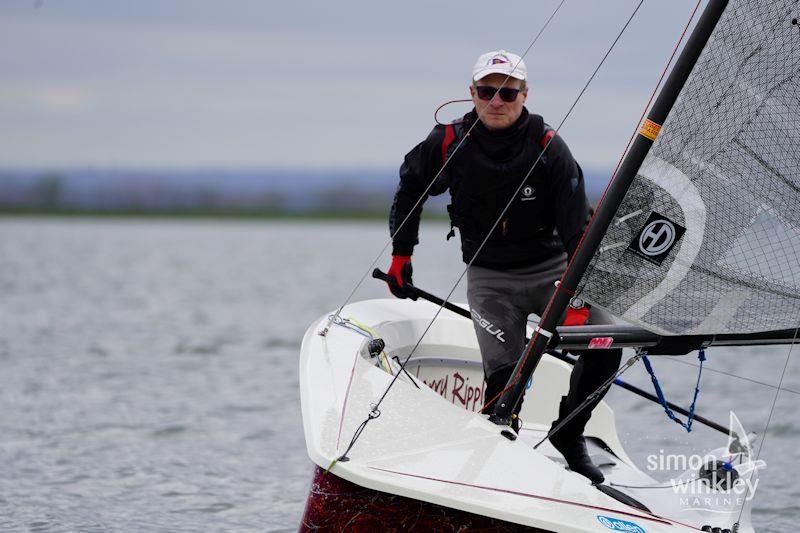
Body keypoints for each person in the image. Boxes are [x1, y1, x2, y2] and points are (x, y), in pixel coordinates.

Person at [385, 50, 622, 484]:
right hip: (491, 282)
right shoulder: (447, 142)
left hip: (554, 273)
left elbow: (579, 231)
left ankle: (569, 434)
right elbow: (410, 188)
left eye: (508, 91)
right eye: (487, 91)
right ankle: (497, 461)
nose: (497, 100)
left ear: (524, 94)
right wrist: (402, 255)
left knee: (607, 342)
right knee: (503, 386)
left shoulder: (548, 144)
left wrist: (576, 297)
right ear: (472, 94)